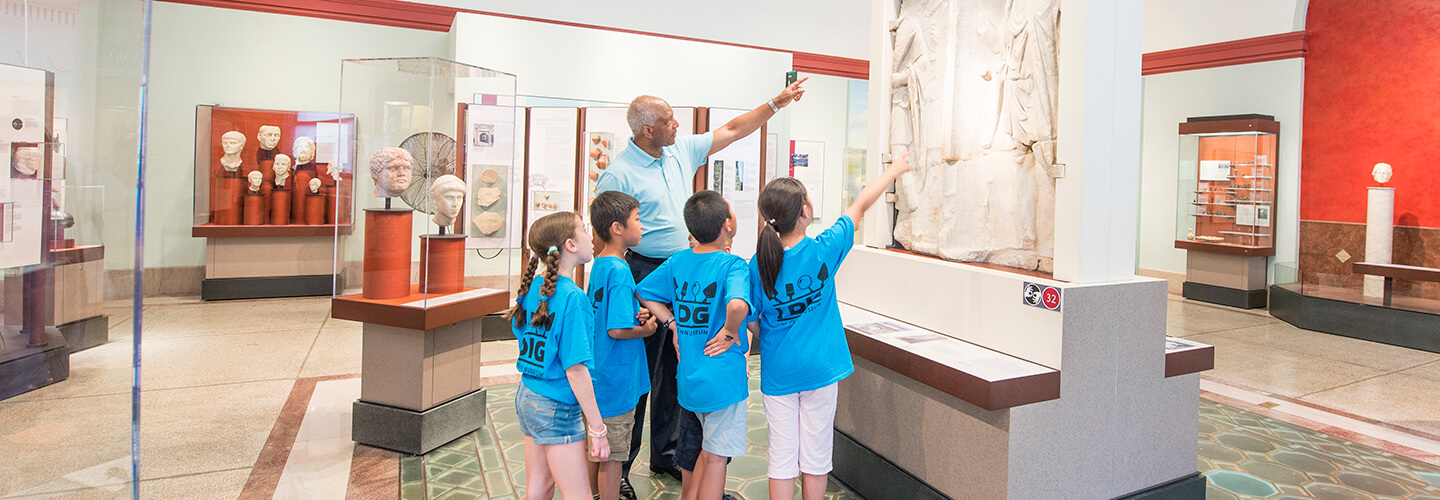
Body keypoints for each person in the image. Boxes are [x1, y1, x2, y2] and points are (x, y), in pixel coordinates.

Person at [595, 79, 808, 493]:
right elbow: (608, 229)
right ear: (646, 131)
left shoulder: (678, 149)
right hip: (644, 270)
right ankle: (619, 470)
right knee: (639, 371)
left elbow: (732, 130)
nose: (677, 124)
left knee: (679, 367)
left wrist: (775, 103)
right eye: (667, 120)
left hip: (687, 265)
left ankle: (671, 454)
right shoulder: (619, 172)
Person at [747, 153, 912, 500]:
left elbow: (753, 321)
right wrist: (895, 169)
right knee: (816, 455)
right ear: (805, 213)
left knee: (781, 456)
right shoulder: (823, 249)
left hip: (779, 374)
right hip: (821, 371)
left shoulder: (757, 264)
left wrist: (778, 334)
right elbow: (860, 205)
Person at [637, 191, 752, 500]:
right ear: (727, 224)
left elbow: (645, 290)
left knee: (692, 455)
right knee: (715, 459)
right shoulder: (733, 265)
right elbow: (739, 305)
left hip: (689, 380)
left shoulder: (678, 260)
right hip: (724, 383)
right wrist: (729, 331)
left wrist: (672, 323)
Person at [507, 211, 610, 500]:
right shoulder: (573, 297)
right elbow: (575, 369)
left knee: (539, 488)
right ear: (570, 245)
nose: (591, 236)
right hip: (555, 406)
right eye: (584, 230)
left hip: (527, 395)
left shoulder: (531, 288)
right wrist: (598, 428)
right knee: (579, 495)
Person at [586, 192, 659, 500]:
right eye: (638, 219)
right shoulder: (620, 271)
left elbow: (608, 314)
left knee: (596, 451)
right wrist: (647, 328)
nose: (642, 226)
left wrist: (635, 314)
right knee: (614, 457)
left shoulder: (602, 265)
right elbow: (616, 329)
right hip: (617, 381)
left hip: (599, 377)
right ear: (617, 228)